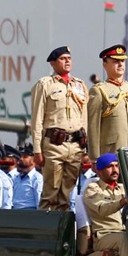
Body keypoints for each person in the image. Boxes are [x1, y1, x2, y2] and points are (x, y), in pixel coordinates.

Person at [31, 46, 89, 211]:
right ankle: (46, 234)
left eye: (69, 58)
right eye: (63, 58)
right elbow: (37, 119)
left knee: (66, 196)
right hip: (54, 144)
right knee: (50, 193)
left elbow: (84, 118)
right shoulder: (45, 84)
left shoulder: (80, 85)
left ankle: (62, 234)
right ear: (53, 63)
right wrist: (37, 149)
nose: (67, 61)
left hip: (75, 145)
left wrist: (85, 146)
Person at [87, 45, 128, 158]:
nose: (121, 64)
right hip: (111, 152)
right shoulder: (99, 90)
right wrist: (94, 157)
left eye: (122, 60)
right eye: (115, 61)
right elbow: (93, 127)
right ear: (105, 64)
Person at [82, 154, 128, 256]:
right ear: (99, 171)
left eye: (116, 166)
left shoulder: (123, 188)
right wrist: (122, 202)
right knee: (124, 239)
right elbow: (102, 209)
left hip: (125, 231)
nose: (115, 170)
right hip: (104, 236)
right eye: (109, 167)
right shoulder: (93, 189)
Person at [13, 144, 43, 210]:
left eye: (25, 157)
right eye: (21, 156)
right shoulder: (16, 177)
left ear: (33, 160)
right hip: (14, 212)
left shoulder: (37, 178)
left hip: (29, 213)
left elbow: (39, 202)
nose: (21, 159)